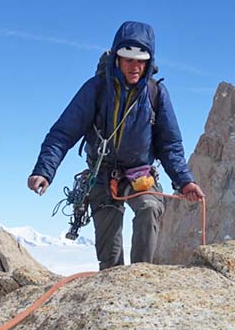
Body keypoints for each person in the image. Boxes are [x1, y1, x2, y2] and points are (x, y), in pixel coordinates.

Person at [27, 21, 204, 269]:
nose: (135, 66)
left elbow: (170, 145)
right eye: (128, 59)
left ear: (149, 61)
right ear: (117, 59)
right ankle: (113, 283)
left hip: (140, 174)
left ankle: (142, 275)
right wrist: (43, 171)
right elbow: (62, 134)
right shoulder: (96, 89)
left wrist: (185, 181)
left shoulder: (156, 93)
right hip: (102, 175)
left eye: (141, 60)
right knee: (110, 256)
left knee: (149, 209)